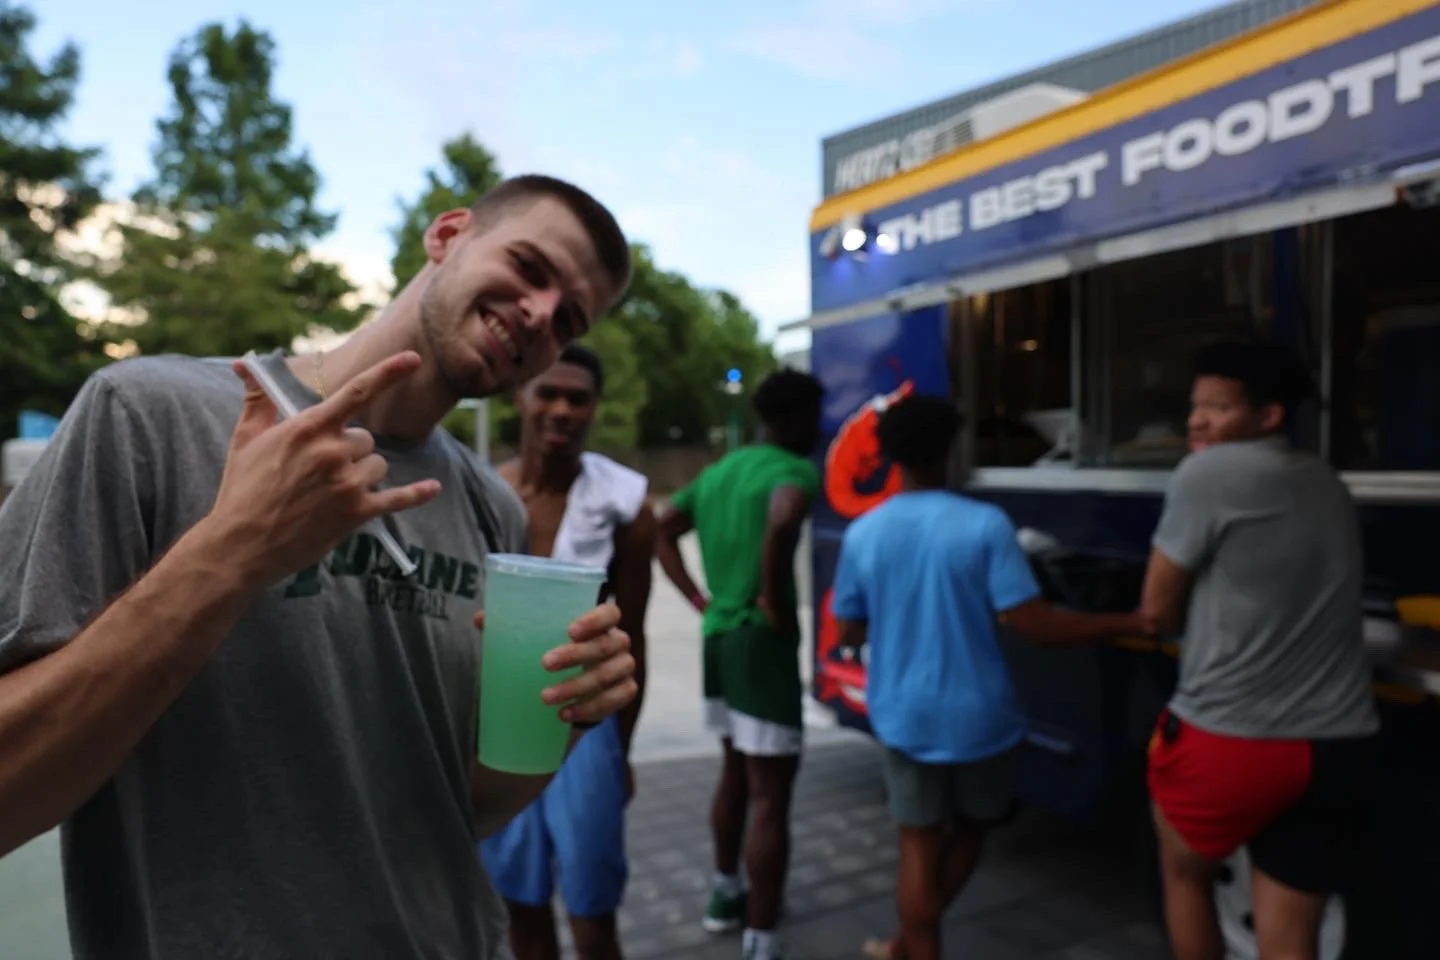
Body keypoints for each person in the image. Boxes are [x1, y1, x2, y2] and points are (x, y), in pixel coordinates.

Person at [0, 175, 642, 960]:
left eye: (568, 319)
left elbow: (456, 807)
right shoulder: (148, 418)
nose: (541, 316)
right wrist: (233, 550)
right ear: (446, 237)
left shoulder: (489, 509)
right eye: (530, 267)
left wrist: (564, 715)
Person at [827, 394, 1151, 960]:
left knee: (916, 847)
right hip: (982, 714)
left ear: (890, 456)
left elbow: (849, 630)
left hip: (903, 714)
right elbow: (1034, 624)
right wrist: (1129, 621)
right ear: (951, 452)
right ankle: (908, 940)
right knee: (973, 829)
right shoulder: (985, 525)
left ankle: (908, 942)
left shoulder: (863, 534)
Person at [1139, 339, 1380, 960]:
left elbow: (1156, 610)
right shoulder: (1325, 480)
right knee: (1291, 933)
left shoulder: (1209, 473)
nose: (1196, 421)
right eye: (1195, 406)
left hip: (1233, 737)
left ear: (1267, 416)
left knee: (1184, 873)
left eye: (1217, 408)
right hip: (1337, 743)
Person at [480, 344, 655, 960]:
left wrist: (622, 750)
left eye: (577, 398)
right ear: (519, 397)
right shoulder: (481, 495)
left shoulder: (626, 507)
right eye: (547, 392)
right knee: (517, 902)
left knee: (592, 906)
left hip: (586, 728)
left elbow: (633, 636)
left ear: (593, 410)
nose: (561, 409)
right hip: (499, 722)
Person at [654, 368, 824, 960]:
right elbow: (783, 518)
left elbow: (661, 528)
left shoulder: (720, 472)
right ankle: (762, 934)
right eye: (816, 417)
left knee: (734, 773)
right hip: (760, 641)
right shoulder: (795, 469)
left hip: (719, 640)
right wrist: (776, 599)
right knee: (771, 795)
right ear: (797, 418)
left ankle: (726, 894)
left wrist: (699, 599)